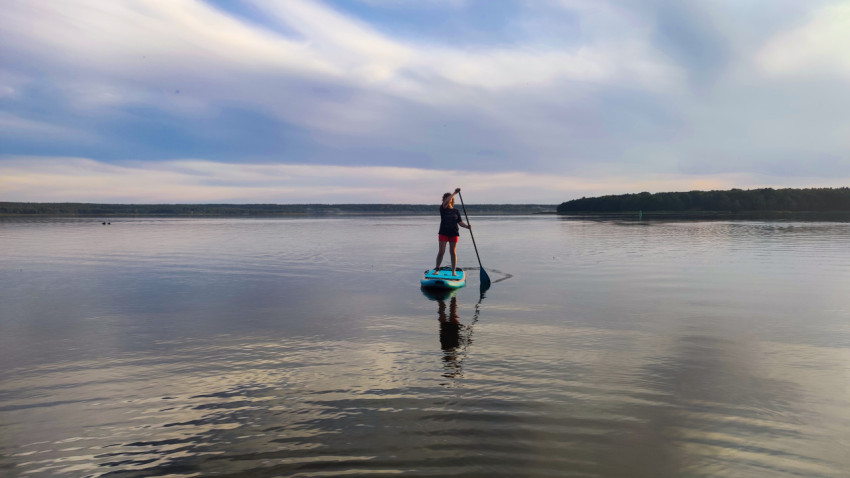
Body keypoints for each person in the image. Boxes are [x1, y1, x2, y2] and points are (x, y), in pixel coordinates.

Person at [434, 188, 470, 276]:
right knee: (441, 251)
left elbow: (460, 222)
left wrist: (467, 226)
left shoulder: (456, 211)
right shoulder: (443, 208)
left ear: (452, 200)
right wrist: (454, 193)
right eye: (446, 198)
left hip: (453, 233)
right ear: (444, 200)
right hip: (443, 232)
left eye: (449, 198)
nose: (448, 200)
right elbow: (446, 203)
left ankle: (453, 271)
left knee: (453, 252)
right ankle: (437, 269)